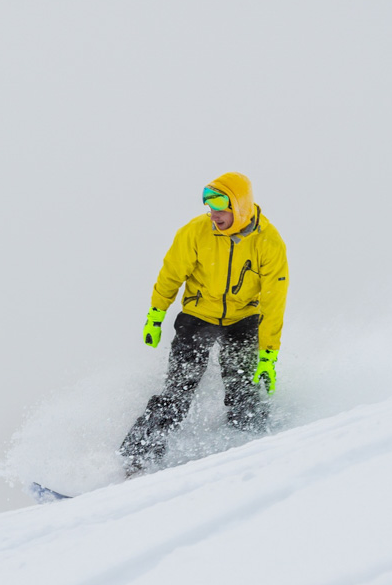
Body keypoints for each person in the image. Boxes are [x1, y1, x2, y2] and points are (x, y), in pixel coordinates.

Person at [119, 172, 289, 475]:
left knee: (243, 392)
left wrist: (268, 354)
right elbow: (171, 274)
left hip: (244, 319)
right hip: (198, 316)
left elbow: (274, 300)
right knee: (177, 391)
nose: (213, 214)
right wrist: (156, 315)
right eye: (209, 207)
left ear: (240, 206)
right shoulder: (196, 232)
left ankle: (257, 454)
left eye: (220, 207)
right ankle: (135, 460)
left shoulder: (268, 242)